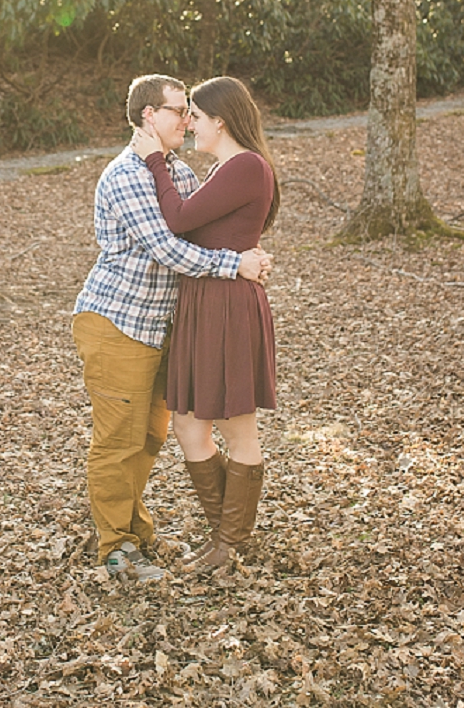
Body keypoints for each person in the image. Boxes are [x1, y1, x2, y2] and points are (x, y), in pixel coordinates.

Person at [72, 74, 272, 583]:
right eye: (177, 109)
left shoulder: (176, 169)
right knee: (118, 441)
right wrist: (235, 264)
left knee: (149, 439)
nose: (186, 118)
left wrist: (242, 254)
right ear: (147, 117)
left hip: (162, 325)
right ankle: (117, 548)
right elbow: (169, 246)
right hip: (119, 320)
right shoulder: (126, 174)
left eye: (191, 111)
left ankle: (149, 532)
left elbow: (203, 217)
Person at [131, 75, 280, 570]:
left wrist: (155, 158)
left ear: (220, 120)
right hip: (202, 303)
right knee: (190, 426)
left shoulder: (246, 167)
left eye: (195, 114)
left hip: (229, 308)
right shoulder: (223, 169)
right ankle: (226, 535)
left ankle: (228, 543)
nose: (189, 122)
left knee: (238, 430)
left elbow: (177, 219)